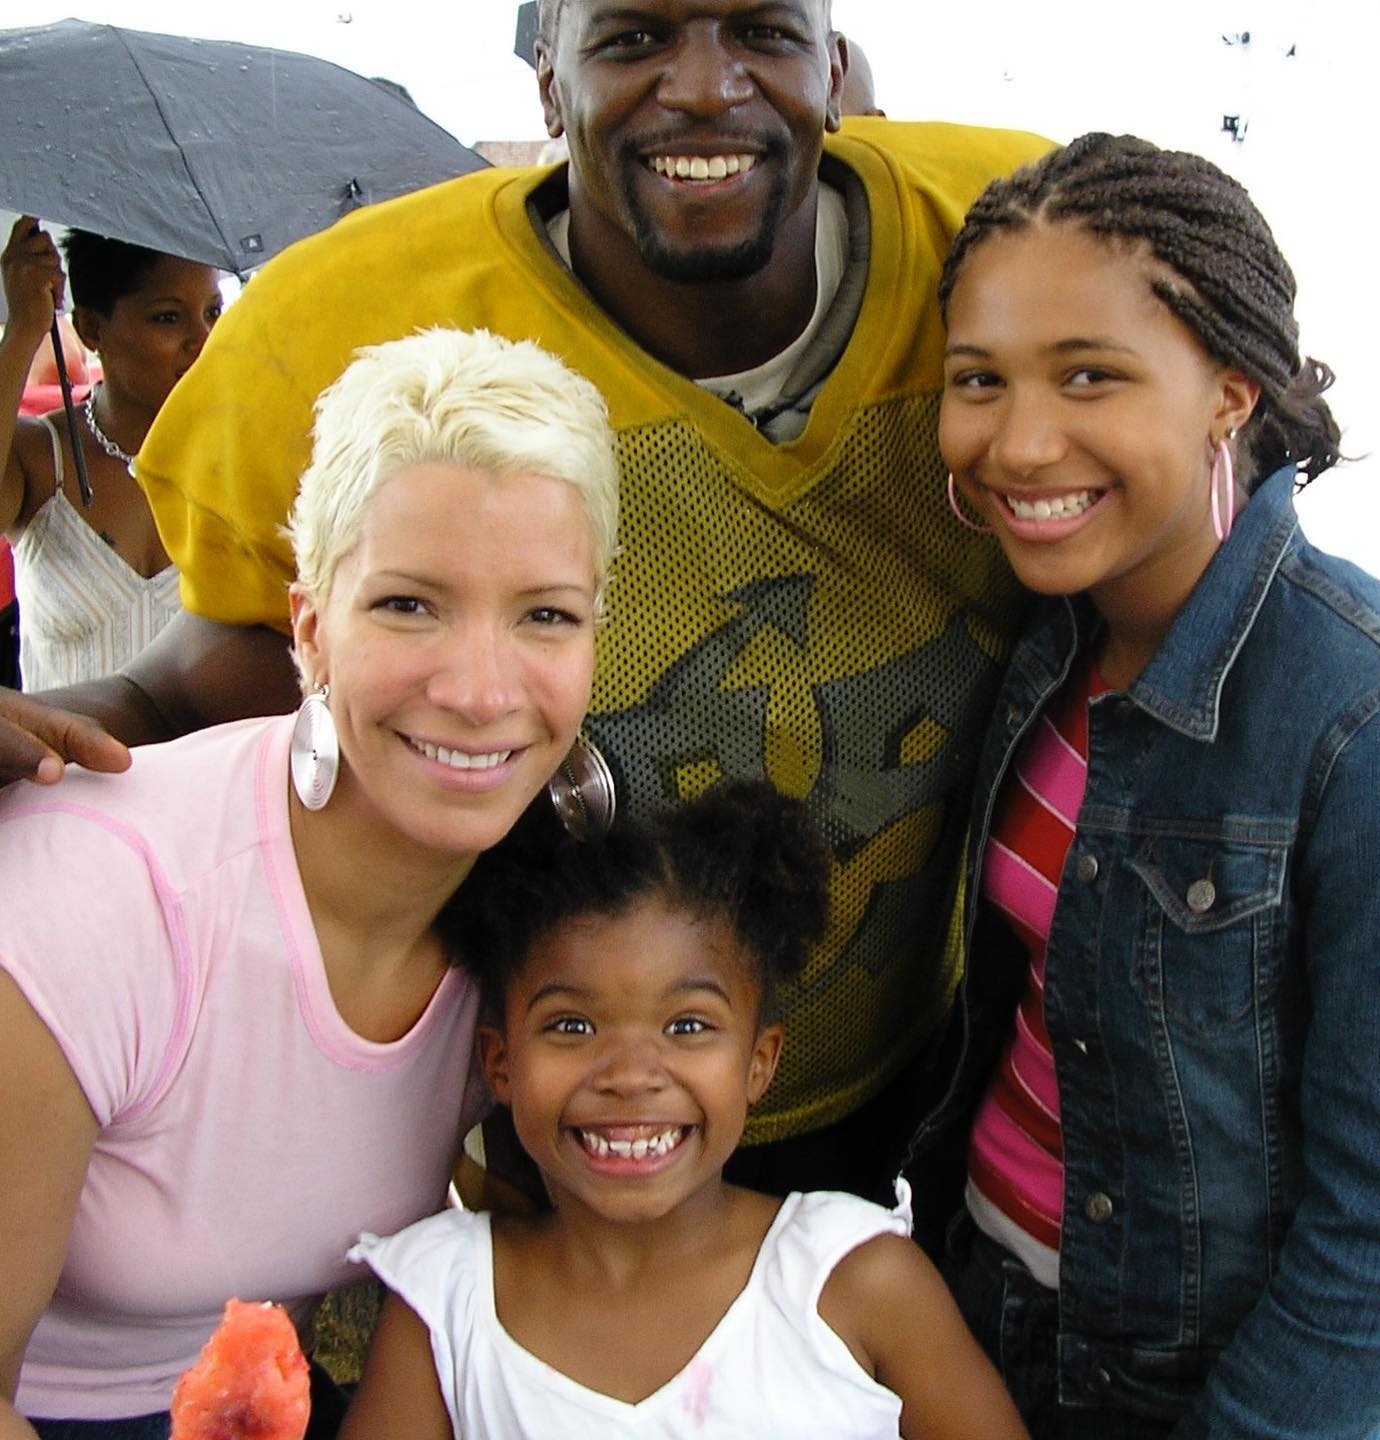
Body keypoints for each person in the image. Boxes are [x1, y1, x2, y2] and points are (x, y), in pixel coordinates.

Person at [0, 0, 1051, 1200]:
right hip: (539, 1136)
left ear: (834, 64)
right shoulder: (351, 326)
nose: (705, 86)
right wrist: (39, 733)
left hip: (928, 1094)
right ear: (546, 85)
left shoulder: (1000, 241)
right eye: (634, 39)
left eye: (761, 29)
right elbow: (198, 682)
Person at [902, 132, 1380, 1438]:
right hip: (968, 1309)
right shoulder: (1040, 637)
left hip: (1191, 1393)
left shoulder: (1378, 723)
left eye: (1090, 376)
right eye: (981, 379)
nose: (1020, 443)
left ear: (1231, 392)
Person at [0, 325, 621, 1438]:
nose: (481, 691)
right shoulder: (104, 896)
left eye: (544, 616)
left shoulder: (541, 907)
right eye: (408, 605)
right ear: (310, 631)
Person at [339, 781, 1030, 1440]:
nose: (632, 1076)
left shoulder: (853, 1282)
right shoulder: (444, 1307)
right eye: (573, 1026)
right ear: (500, 1064)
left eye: (689, 1026)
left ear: (759, 1062)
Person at [0, 218, 223, 691]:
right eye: (168, 316)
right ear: (91, 328)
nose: (201, 341)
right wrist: (23, 330)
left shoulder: (244, 460)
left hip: (214, 765)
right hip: (62, 765)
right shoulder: (42, 458)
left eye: (212, 313)